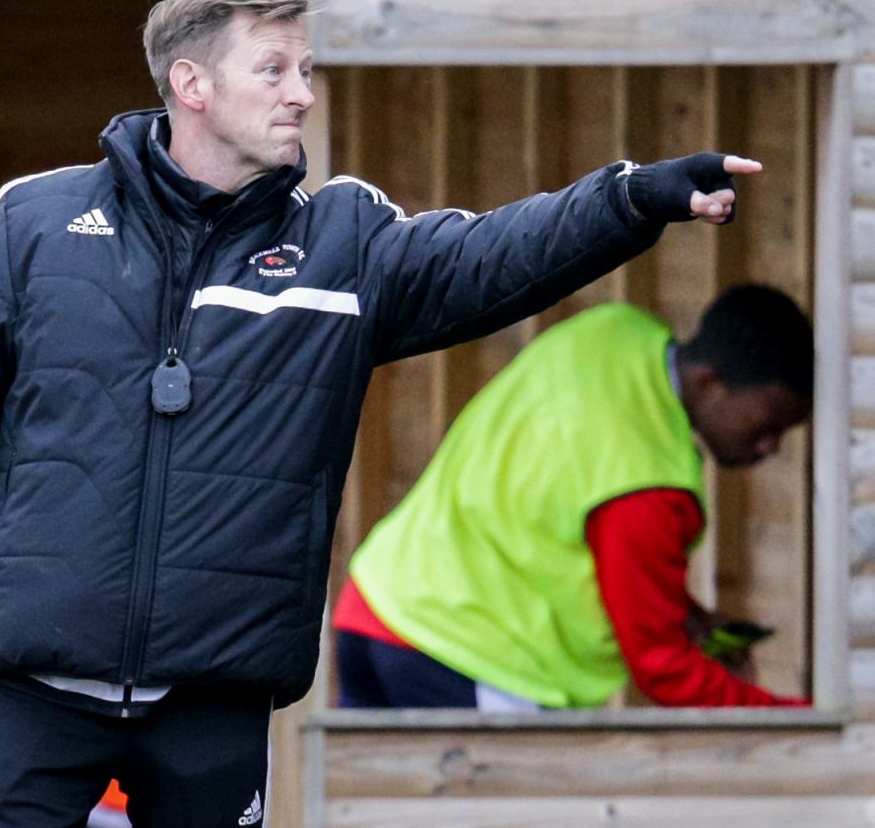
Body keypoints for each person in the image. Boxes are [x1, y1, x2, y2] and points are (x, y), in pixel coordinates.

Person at [0, 0, 766, 826]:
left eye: (305, 71)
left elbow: (492, 254)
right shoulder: (33, 225)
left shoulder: (345, 246)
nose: (302, 94)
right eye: (273, 71)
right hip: (31, 699)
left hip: (213, 710)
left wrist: (635, 199)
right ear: (193, 86)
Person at [333, 284, 813, 711]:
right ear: (711, 383)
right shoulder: (645, 483)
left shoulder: (614, 332)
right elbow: (662, 666)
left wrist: (687, 616)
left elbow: (563, 511)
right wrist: (793, 720)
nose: (771, 446)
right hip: (466, 655)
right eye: (767, 426)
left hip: (377, 606)